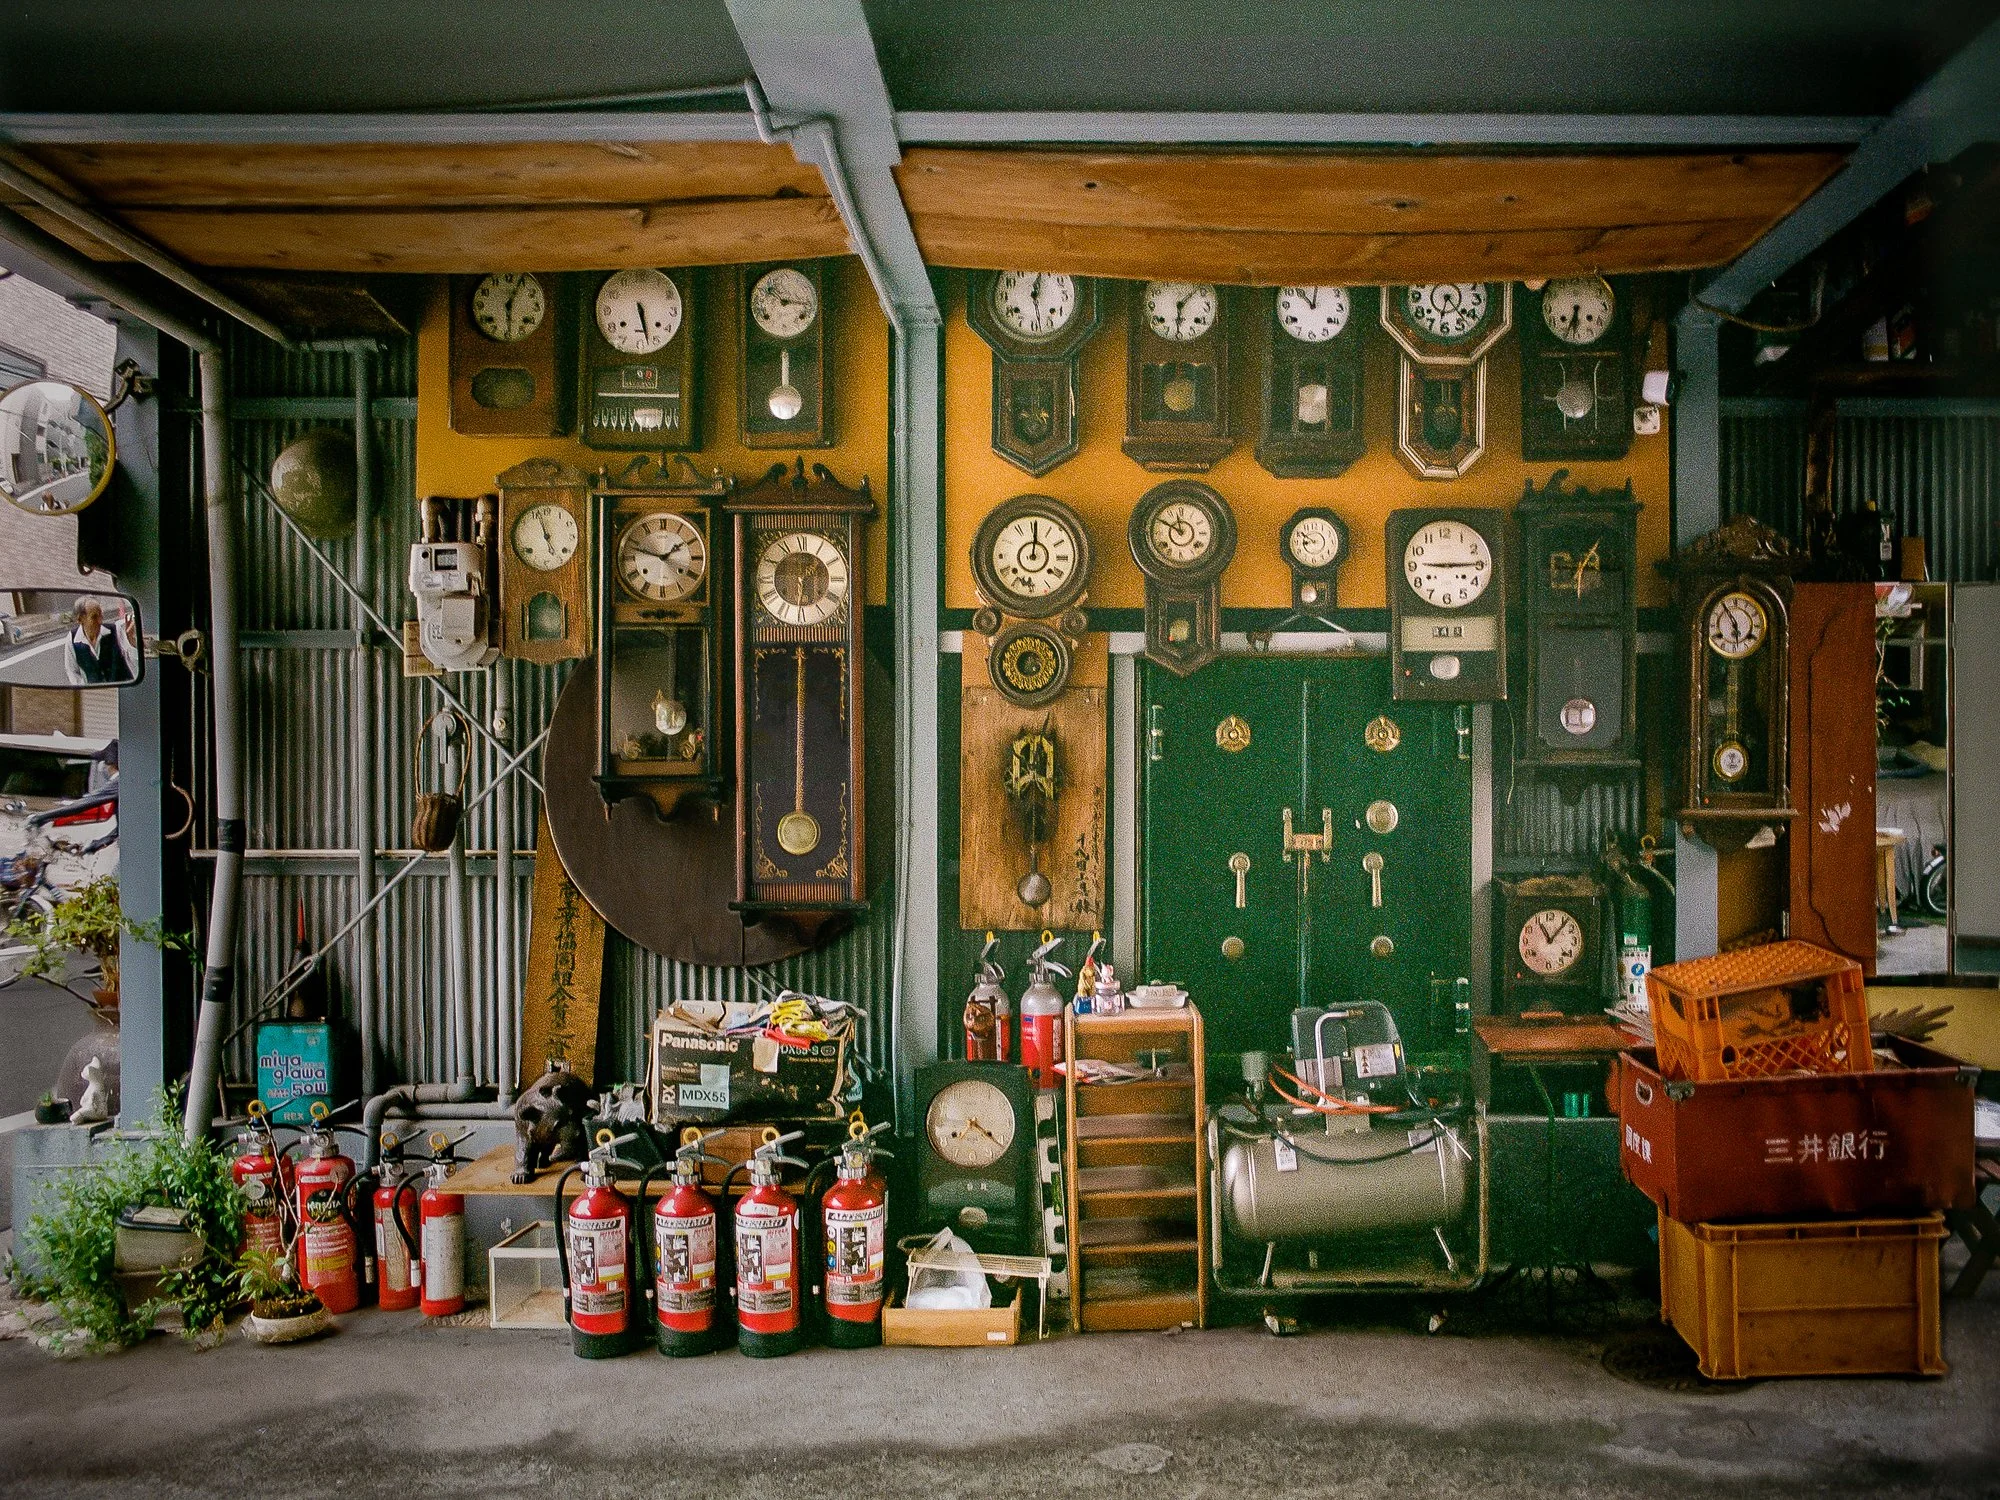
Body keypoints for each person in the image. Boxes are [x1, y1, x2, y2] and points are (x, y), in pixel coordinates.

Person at [63, 597, 136, 686]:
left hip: (123, 689)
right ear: (80, 620)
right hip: (97, 692)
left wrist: (131, 641)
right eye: (94, 617)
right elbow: (72, 671)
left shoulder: (115, 630)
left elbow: (132, 660)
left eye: (101, 615)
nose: (100, 621)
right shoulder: (72, 639)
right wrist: (84, 688)